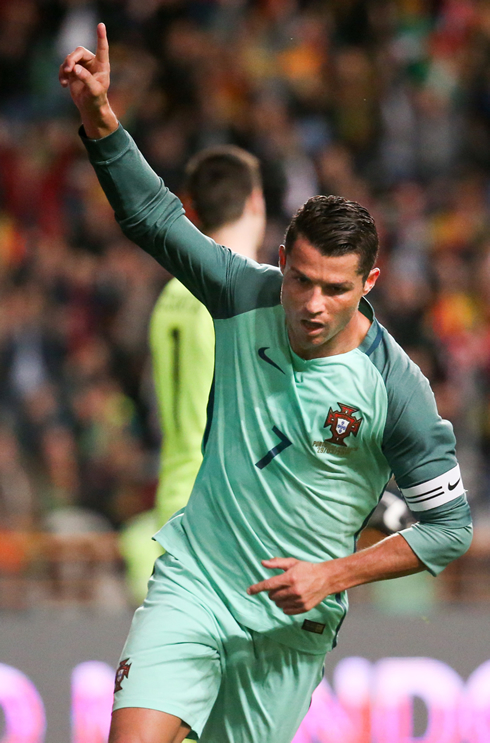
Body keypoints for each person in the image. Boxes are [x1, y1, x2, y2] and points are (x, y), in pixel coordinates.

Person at [60, 25, 472, 743]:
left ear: (368, 284)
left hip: (291, 626)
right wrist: (100, 116)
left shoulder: (395, 386)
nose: (312, 304)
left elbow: (450, 528)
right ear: (281, 259)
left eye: (335, 289)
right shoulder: (241, 293)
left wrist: (331, 575)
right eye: (301, 279)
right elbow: (153, 216)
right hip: (197, 580)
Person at [119, 145, 265, 604]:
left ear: (194, 208)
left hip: (174, 501)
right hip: (232, 515)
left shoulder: (170, 295)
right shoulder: (253, 297)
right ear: (256, 202)